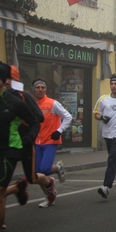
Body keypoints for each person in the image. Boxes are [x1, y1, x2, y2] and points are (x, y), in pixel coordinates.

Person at [0, 62, 40, 228]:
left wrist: (29, 137)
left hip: (10, 151)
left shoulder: (15, 102)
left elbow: (35, 121)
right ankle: (17, 188)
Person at [32, 77, 72, 207]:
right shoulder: (31, 104)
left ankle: (58, 167)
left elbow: (68, 117)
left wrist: (59, 130)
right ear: (34, 89)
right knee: (37, 175)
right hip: (37, 142)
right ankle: (49, 197)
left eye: (42, 87)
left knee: (44, 170)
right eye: (38, 87)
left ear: (46, 89)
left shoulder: (52, 103)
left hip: (50, 140)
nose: (40, 89)